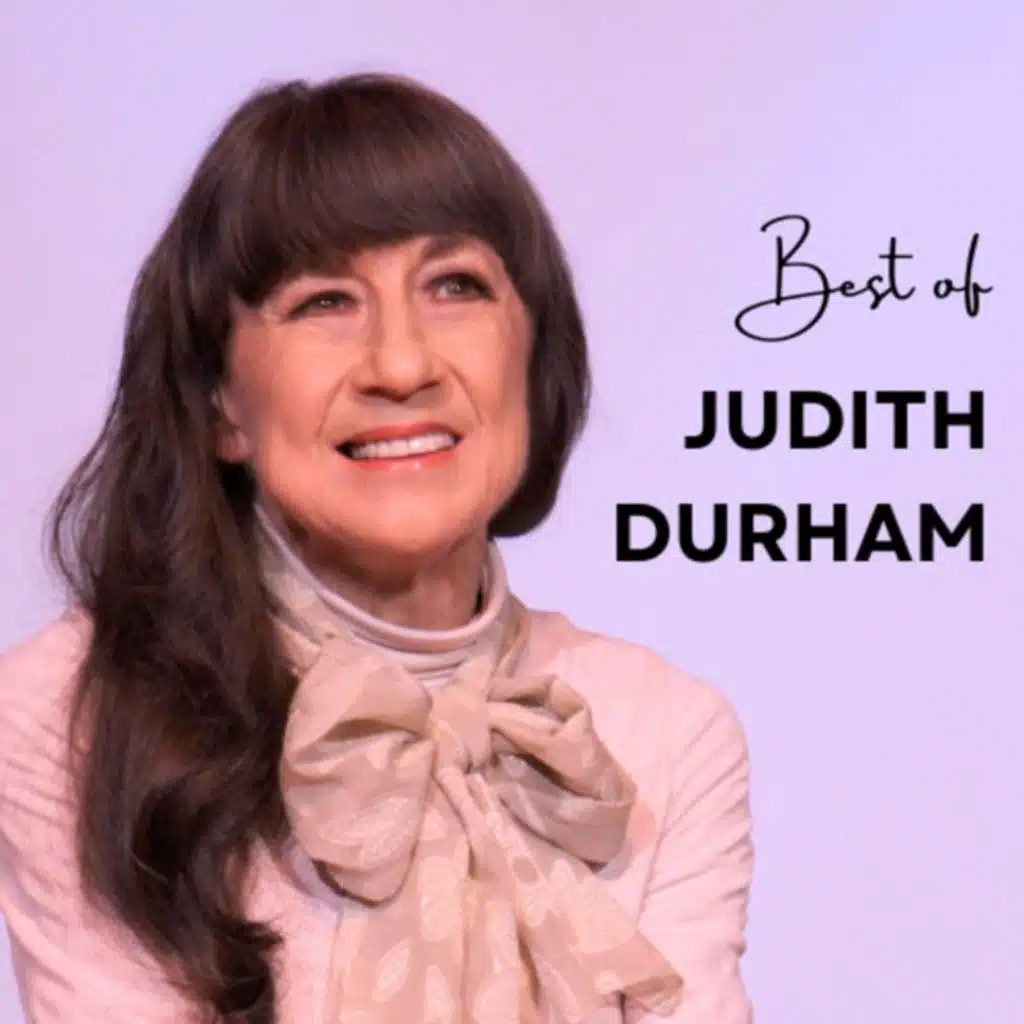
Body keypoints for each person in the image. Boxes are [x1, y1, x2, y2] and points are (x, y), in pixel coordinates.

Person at [0, 72, 754, 1023]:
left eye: (455, 286)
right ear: (220, 401)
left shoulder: (665, 732)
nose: (401, 365)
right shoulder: (71, 714)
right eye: (324, 302)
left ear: (533, 359)